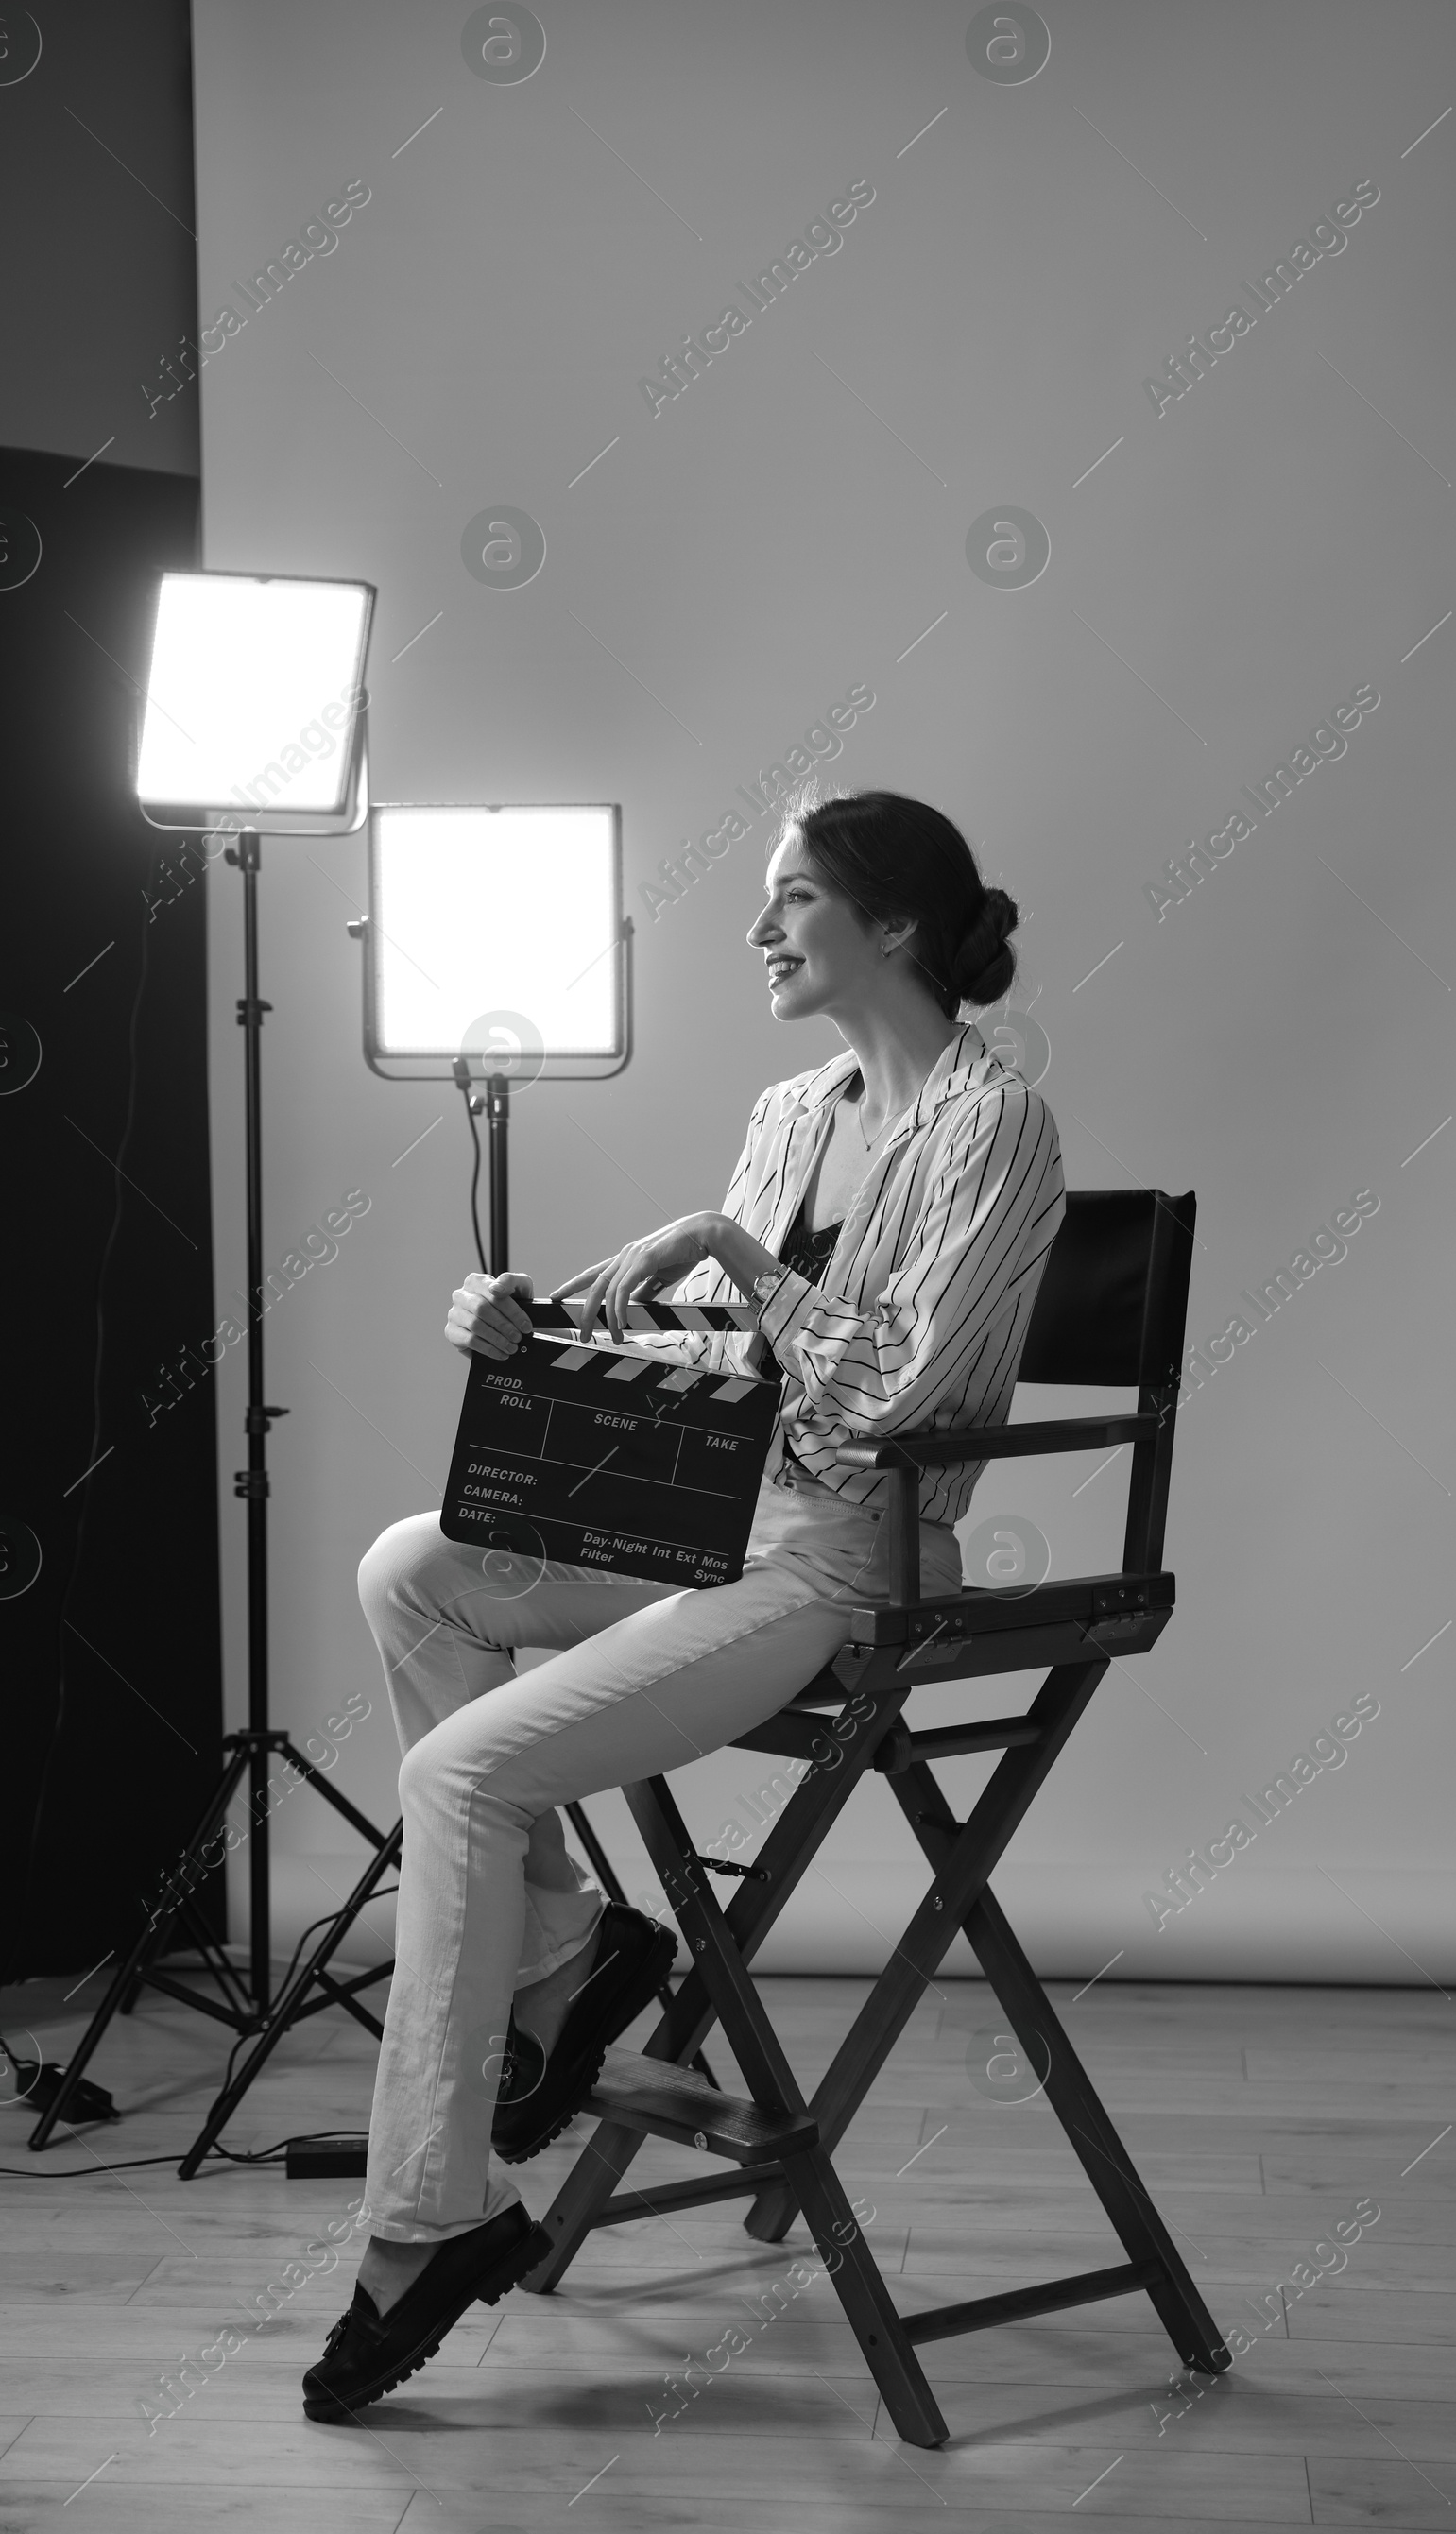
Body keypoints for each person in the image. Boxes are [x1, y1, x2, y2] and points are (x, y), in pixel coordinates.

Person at [301, 787, 1067, 2422]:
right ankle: (573, 1949)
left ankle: (427, 2219)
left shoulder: (998, 1123)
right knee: (410, 1567)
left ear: (897, 926)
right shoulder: (796, 1110)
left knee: (456, 1774)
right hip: (723, 1522)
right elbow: (729, 1366)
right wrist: (548, 1327)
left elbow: (892, 1392)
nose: (759, 927)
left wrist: (729, 1247)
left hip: (851, 1554)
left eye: (793, 897)